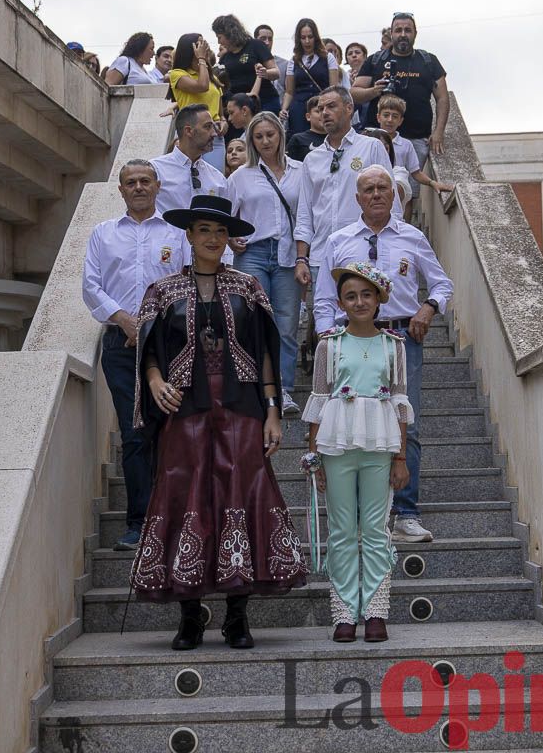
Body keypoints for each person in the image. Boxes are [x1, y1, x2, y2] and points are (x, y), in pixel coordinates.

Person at [130, 194, 307, 651]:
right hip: (183, 411)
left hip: (241, 410)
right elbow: (147, 350)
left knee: (241, 495)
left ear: (229, 239)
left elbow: (267, 351)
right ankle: (190, 616)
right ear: (188, 236)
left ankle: (236, 616)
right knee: (185, 495)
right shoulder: (162, 290)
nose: (212, 238)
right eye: (204, 230)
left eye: (220, 232)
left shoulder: (248, 286)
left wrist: (272, 412)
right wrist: (153, 380)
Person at [314, 166, 453, 543]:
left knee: (408, 421)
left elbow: (442, 283)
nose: (376, 194)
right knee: (351, 421)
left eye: (383, 188)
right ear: (357, 198)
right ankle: (360, 517)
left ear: (394, 195)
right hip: (351, 339)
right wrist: (327, 338)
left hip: (402, 336)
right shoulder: (339, 239)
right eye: (368, 189)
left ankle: (405, 514)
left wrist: (428, 308)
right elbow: (325, 296)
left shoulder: (413, 237)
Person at [303, 262, 410, 643]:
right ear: (341, 303)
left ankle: (376, 611)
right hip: (338, 444)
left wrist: (400, 456)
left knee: (376, 530)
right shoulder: (329, 345)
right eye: (351, 296)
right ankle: (344, 613)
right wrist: (315, 455)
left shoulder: (393, 346)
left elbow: (399, 401)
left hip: (380, 444)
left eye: (366, 294)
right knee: (342, 529)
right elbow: (318, 400)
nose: (359, 301)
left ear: (379, 300)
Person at [82, 160, 186, 551]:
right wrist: (125, 320)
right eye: (131, 182)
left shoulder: (177, 233)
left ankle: (175, 519)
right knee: (135, 432)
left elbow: (187, 282)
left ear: (158, 186)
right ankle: (139, 524)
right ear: (121, 190)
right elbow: (91, 285)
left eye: (145, 181)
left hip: (172, 346)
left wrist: (155, 324)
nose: (139, 187)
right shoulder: (102, 234)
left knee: (173, 432)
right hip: (120, 347)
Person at [227, 111, 303, 415]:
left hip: (287, 253)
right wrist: (232, 239)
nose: (265, 141)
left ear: (280, 135)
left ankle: (283, 389)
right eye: (258, 136)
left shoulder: (300, 171)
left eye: (270, 134)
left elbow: (306, 216)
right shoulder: (240, 176)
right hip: (253, 253)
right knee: (251, 321)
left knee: (285, 323)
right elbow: (226, 218)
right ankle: (254, 388)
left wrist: (302, 255)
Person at [293, 86, 396, 300]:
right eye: (320, 108)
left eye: (331, 106)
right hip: (321, 258)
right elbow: (305, 212)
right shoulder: (312, 159)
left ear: (349, 108)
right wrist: (302, 258)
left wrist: (391, 251)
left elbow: (391, 203)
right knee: (325, 326)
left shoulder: (372, 148)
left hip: (365, 254)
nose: (324, 113)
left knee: (366, 326)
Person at [353, 13, 450, 161]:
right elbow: (354, 93)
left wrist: (439, 132)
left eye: (408, 30)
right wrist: (373, 91)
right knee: (376, 182)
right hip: (378, 137)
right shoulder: (375, 60)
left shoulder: (429, 61)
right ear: (391, 34)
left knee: (410, 183)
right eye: (398, 30)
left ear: (415, 33)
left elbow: (443, 98)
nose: (403, 34)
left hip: (416, 139)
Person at [150, 104, 231, 265]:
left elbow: (224, 223)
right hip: (164, 260)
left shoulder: (217, 178)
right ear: (188, 131)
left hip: (207, 264)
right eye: (208, 127)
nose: (214, 133)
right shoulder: (154, 170)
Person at [376, 94, 454, 213]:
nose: (390, 120)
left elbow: (416, 172)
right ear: (378, 117)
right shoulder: (369, 141)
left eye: (395, 116)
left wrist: (433, 183)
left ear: (400, 121)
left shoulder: (406, 145)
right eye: (386, 115)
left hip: (398, 193)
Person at [166, 34, 227, 171]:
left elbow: (219, 111)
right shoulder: (177, 74)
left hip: (214, 135)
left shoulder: (212, 77)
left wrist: (224, 121)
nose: (204, 46)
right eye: (199, 44)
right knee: (186, 178)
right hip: (190, 134)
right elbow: (202, 86)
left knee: (214, 180)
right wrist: (202, 60)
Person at [279, 19, 342, 136]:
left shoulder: (328, 58)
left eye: (310, 37)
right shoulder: (294, 60)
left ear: (316, 37)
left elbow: (334, 87)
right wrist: (284, 109)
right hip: (299, 108)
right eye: (303, 38)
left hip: (322, 106)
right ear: (298, 39)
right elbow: (289, 92)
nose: (307, 41)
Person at [213, 14, 281, 114]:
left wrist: (264, 72)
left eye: (219, 37)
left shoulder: (256, 45)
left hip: (264, 103)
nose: (218, 42)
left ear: (229, 33)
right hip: (240, 109)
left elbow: (276, 72)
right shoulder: (225, 57)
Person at [254, 24, 290, 102]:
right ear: (255, 40)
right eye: (263, 39)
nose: (267, 43)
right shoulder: (249, 63)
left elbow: (289, 92)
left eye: (270, 39)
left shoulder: (285, 64)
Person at [286, 96, 326, 162]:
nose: (323, 114)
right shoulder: (298, 139)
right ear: (308, 116)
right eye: (318, 111)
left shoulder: (338, 139)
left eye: (324, 110)